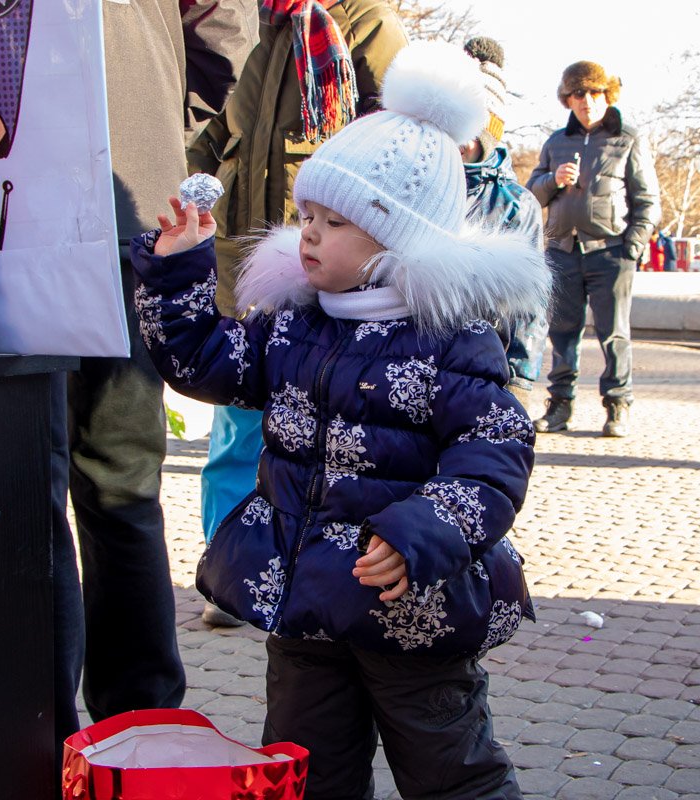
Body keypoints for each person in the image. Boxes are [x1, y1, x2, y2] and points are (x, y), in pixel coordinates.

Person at [133, 41, 548, 799]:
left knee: (449, 770)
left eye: (336, 221)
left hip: (410, 611)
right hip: (306, 604)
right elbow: (208, 365)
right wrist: (177, 271)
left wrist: (424, 527)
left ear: (397, 237)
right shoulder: (295, 321)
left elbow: (495, 447)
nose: (310, 234)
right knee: (303, 770)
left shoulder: (449, 339)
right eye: (308, 215)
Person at [65, 0, 257, 722]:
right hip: (124, 176)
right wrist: (154, 115)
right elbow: (223, 31)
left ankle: (30, 731)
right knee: (117, 484)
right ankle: (138, 720)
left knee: (24, 484)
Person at [188, 0, 407, 627]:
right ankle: (231, 573)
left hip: (336, 280)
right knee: (235, 433)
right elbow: (222, 137)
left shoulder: (369, 24)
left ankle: (325, 573)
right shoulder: (271, 32)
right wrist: (176, 184)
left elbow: (404, 148)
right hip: (255, 271)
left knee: (327, 438)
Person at [527, 60, 659, 438]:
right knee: (563, 333)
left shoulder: (627, 138)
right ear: (568, 99)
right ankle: (560, 405)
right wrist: (553, 179)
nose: (587, 101)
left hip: (610, 251)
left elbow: (647, 200)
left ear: (607, 95)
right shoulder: (556, 142)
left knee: (613, 334)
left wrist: (632, 245)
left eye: (594, 93)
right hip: (563, 250)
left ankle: (618, 405)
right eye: (578, 93)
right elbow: (532, 193)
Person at [459, 36, 545, 407]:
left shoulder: (516, 205)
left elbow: (529, 304)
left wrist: (520, 379)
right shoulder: (415, 185)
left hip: (483, 363)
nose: (458, 139)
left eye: (470, 128)